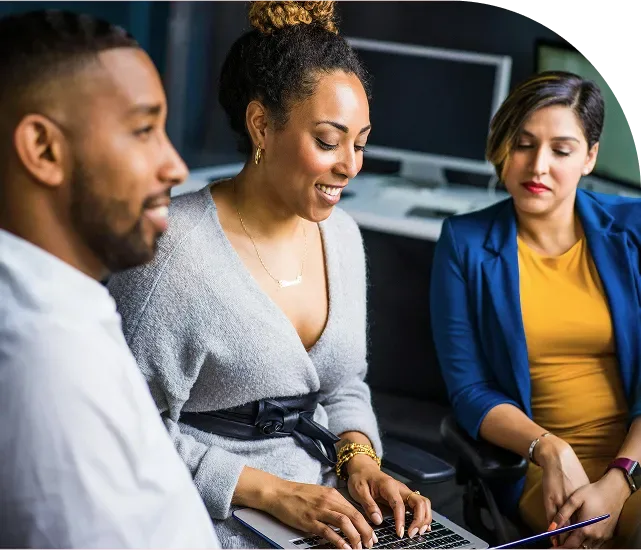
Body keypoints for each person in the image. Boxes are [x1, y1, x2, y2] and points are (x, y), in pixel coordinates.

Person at [106, 1, 433, 548]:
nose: (350, 164)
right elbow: (118, 430)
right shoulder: (172, 255)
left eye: (360, 142)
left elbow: (345, 383)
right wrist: (269, 491)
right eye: (329, 141)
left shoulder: (344, 238)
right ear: (261, 125)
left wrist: (361, 459)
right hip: (208, 515)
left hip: (335, 514)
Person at [0, 9, 220, 548]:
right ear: (45, 150)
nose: (175, 167)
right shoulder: (46, 360)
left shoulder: (60, 309)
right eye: (144, 130)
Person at [430, 70, 641, 549]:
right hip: (539, 468)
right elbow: (469, 390)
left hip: (635, 460)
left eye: (561, 150)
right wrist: (549, 448)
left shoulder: (634, 232)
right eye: (523, 144)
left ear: (589, 157)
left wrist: (619, 479)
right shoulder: (464, 245)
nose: (537, 165)